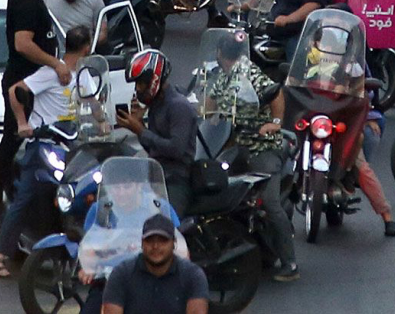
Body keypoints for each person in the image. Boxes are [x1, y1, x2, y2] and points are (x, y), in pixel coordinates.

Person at [0, 25, 92, 275]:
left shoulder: (84, 76)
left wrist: (102, 121)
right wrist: (22, 124)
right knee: (26, 195)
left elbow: (92, 102)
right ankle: (0, 255)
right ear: (87, 48)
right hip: (44, 145)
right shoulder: (51, 73)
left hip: (72, 146)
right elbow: (15, 91)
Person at [202, 33, 298, 282]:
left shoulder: (250, 73)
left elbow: (276, 94)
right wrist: (202, 117)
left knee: (270, 203)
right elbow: (209, 103)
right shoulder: (221, 77)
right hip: (234, 148)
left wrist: (275, 123)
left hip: (261, 147)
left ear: (220, 53)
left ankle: (290, 263)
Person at [0, 0, 68, 213]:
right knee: (13, 138)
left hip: (36, 82)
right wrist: (54, 63)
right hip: (23, 83)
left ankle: (24, 188)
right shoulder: (27, 5)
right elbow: (22, 44)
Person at [117, 49, 197, 218]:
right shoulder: (156, 105)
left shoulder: (178, 106)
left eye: (141, 83)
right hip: (156, 175)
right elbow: (154, 148)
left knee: (166, 221)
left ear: (154, 80)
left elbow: (176, 149)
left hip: (176, 179)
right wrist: (138, 126)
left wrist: (140, 130)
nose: (138, 89)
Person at [101, 212, 209, 314]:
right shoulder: (121, 274)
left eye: (163, 240)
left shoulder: (193, 275)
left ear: (174, 243)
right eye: (149, 240)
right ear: (142, 243)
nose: (155, 246)